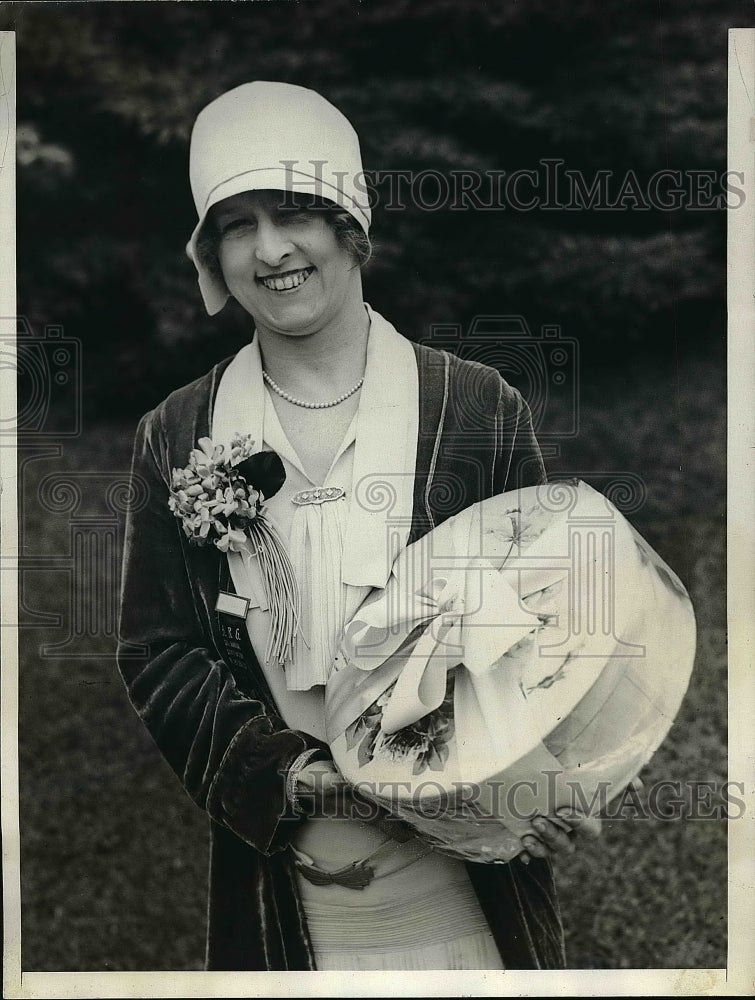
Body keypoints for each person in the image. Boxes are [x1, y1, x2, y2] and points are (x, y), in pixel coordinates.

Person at [117, 80, 598, 972]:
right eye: (236, 223)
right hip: (289, 881)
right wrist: (286, 776)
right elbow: (159, 649)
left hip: (463, 866)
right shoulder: (178, 433)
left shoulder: (474, 408)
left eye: (295, 211)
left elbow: (547, 615)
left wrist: (527, 764)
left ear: (351, 225)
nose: (270, 249)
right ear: (209, 254)